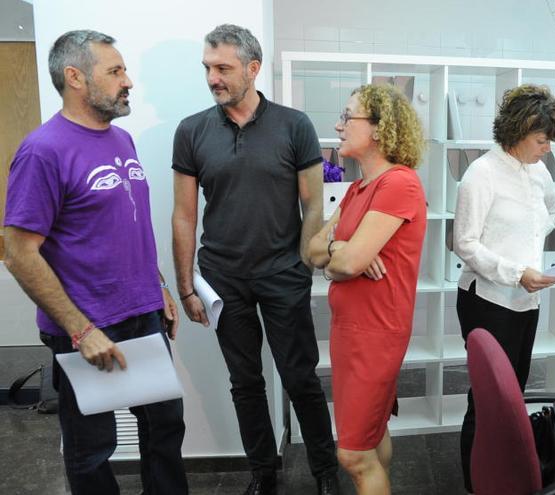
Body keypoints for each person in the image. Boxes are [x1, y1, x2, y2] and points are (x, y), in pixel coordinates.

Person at [4, 30, 187, 494]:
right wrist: (80, 330)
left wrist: (158, 284)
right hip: (86, 324)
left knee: (164, 430)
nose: (128, 81)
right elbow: (18, 251)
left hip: (142, 313)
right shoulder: (43, 150)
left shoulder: (121, 139)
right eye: (115, 71)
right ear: (75, 78)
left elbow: (126, 226)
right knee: (92, 450)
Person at [171, 24, 338, 495]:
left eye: (222, 67)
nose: (212, 78)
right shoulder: (192, 131)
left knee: (299, 377)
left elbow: (313, 206)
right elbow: (184, 216)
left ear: (252, 68)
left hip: (284, 275)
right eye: (208, 67)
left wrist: (306, 262)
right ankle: (264, 474)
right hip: (223, 279)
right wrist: (186, 285)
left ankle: (325, 471)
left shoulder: (294, 125)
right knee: (244, 383)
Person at [307, 84, 426, 495]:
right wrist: (341, 249)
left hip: (375, 334)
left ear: (379, 129)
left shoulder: (399, 184)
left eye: (347, 117)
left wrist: (342, 257)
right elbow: (314, 250)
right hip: (351, 331)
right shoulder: (358, 189)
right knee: (371, 435)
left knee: (353, 454)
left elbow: (347, 264)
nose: (338, 126)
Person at [453, 84, 555, 492]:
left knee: (513, 395)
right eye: (541, 139)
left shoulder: (537, 171)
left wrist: (533, 244)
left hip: (525, 299)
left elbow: (552, 209)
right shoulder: (481, 174)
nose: (547, 148)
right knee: (486, 398)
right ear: (518, 132)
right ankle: (474, 482)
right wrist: (516, 269)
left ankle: (505, 475)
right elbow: (464, 242)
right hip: (487, 300)